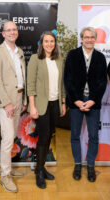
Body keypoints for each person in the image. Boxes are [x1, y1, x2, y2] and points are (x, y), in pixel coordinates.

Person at [64, 27, 107, 182]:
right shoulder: (72, 55)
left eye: (92, 37)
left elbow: (103, 82)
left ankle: (90, 166)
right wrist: (76, 100)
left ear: (95, 39)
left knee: (93, 135)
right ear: (81, 39)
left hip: (92, 101)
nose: (89, 39)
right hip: (76, 101)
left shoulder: (101, 57)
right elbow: (67, 79)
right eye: (86, 37)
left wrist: (93, 100)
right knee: (75, 135)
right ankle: (77, 164)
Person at [0, 21, 27, 193]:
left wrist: (24, 99)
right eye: (8, 30)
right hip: (6, 102)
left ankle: (8, 168)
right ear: (3, 33)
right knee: (8, 138)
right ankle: (5, 175)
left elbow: (22, 77)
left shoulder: (19, 51)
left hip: (19, 98)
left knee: (11, 138)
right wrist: (7, 103)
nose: (12, 32)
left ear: (17, 32)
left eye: (14, 29)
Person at [27, 31, 66, 189]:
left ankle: (41, 167)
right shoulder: (35, 59)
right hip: (41, 105)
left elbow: (62, 83)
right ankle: (38, 171)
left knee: (49, 135)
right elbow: (30, 84)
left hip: (54, 104)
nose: (49, 44)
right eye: (46, 41)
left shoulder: (59, 60)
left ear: (55, 43)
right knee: (43, 137)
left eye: (52, 41)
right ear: (41, 43)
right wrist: (32, 106)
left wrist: (63, 102)